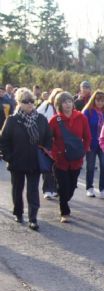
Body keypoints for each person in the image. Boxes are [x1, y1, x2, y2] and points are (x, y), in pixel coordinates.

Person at [0, 88, 52, 230]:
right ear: (19, 103)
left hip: (35, 161)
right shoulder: (12, 120)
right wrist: (9, 157)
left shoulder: (41, 119)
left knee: (33, 190)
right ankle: (18, 212)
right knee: (17, 188)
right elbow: (4, 141)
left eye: (31, 101)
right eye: (25, 101)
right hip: (17, 161)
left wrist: (45, 151)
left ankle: (33, 218)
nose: (29, 104)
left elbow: (48, 137)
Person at [48, 92, 91, 222]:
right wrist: (55, 153)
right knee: (63, 187)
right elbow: (49, 139)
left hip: (76, 160)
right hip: (60, 160)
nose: (67, 104)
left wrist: (83, 151)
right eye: (64, 102)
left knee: (71, 188)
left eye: (69, 101)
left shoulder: (81, 118)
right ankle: (64, 212)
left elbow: (87, 137)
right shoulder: (55, 120)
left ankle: (64, 200)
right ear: (59, 105)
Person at [36, 88, 63, 200]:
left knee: (56, 167)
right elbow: (37, 118)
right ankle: (47, 189)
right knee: (47, 166)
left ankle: (55, 188)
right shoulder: (46, 106)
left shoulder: (62, 109)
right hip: (46, 140)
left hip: (59, 141)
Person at [82, 90, 104, 198]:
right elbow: (84, 128)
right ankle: (89, 187)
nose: (100, 103)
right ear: (94, 100)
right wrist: (86, 142)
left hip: (103, 144)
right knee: (90, 166)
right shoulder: (88, 112)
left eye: (102, 100)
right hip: (91, 142)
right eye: (98, 100)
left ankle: (103, 189)